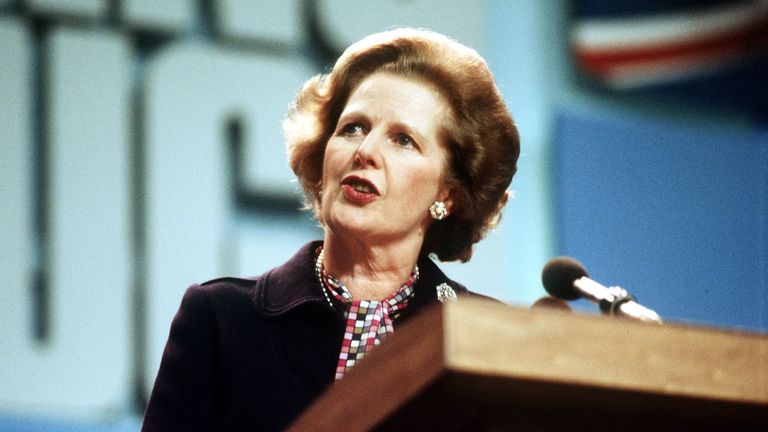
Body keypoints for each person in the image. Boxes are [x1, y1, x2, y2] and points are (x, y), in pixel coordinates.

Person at [141, 28, 520, 431]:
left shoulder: (484, 339)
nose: (366, 151)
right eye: (353, 128)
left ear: (448, 192)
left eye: (403, 140)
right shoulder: (221, 320)